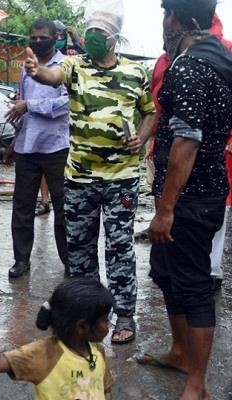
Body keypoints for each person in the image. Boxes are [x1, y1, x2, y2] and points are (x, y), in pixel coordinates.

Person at [25, 5, 157, 344]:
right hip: (80, 177)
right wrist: (36, 70)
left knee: (119, 248)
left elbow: (149, 113)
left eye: (101, 33)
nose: (94, 38)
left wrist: (141, 137)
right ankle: (86, 314)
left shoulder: (136, 72)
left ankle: (125, 314)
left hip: (122, 178)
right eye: (91, 32)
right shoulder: (74, 65)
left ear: (115, 37)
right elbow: (50, 77)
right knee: (80, 248)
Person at [143, 0, 232, 397]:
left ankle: (197, 384)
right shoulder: (219, 58)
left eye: (165, 16)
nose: (164, 24)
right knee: (165, 273)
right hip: (192, 193)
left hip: (190, 200)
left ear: (175, 19)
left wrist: (165, 209)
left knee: (193, 285)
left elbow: (187, 141)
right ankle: (180, 352)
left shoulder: (191, 65)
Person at [0, 278, 114, 400]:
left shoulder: (97, 351)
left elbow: (105, 388)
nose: (109, 325)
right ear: (82, 327)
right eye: (105, 320)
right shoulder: (45, 354)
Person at [5, 18, 70, 278]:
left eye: (44, 37)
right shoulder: (26, 68)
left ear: (56, 37)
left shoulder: (67, 65)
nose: (38, 41)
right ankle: (21, 260)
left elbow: (66, 104)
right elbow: (21, 107)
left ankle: (69, 261)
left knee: (63, 208)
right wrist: (13, 142)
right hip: (27, 147)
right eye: (34, 37)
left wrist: (29, 105)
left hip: (56, 147)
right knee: (22, 207)